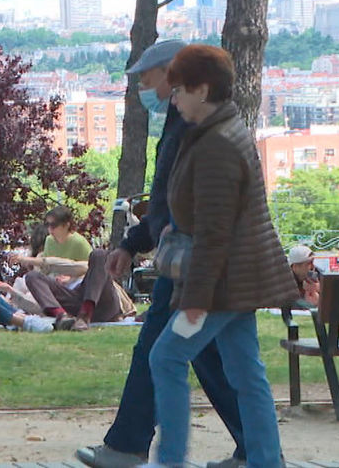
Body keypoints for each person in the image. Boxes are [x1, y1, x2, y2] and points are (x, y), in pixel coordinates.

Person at [77, 39, 248, 468]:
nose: (145, 89)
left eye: (149, 78)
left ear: (173, 76)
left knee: (162, 352)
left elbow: (178, 193)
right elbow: (167, 195)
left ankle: (131, 446)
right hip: (188, 255)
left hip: (190, 258)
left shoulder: (189, 124)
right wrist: (134, 245)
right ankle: (253, 449)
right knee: (207, 359)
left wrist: (143, 242)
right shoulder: (180, 119)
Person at [147, 44, 299, 468]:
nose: (172, 98)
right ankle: (266, 460)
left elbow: (215, 234)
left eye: (179, 90)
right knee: (246, 373)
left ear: (203, 89)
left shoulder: (216, 144)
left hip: (223, 281)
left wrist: (195, 300)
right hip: (238, 277)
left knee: (166, 357)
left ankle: (171, 458)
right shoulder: (223, 131)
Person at [7, 248, 133, 332]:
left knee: (99, 254)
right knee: (31, 276)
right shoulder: (48, 244)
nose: (51, 229)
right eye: (48, 225)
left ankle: (85, 314)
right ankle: (62, 317)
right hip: (73, 302)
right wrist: (8, 291)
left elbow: (79, 266)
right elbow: (32, 305)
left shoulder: (79, 247)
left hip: (100, 298)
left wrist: (70, 276)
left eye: (53, 225)